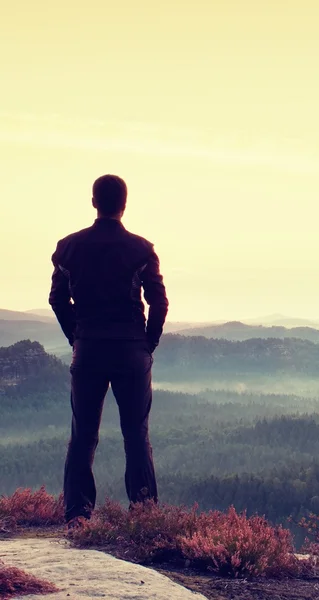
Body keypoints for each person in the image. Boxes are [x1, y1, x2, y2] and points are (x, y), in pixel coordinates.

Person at [49, 174, 169, 526]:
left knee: (83, 434)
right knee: (136, 435)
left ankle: (77, 516)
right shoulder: (141, 249)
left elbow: (57, 299)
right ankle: (145, 517)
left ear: (93, 202)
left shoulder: (68, 247)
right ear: (124, 204)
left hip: (88, 350)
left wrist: (77, 336)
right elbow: (159, 301)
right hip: (132, 350)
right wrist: (148, 343)